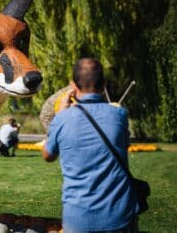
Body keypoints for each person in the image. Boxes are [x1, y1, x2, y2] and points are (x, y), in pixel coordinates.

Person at [42, 58, 139, 232]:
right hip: (120, 215)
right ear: (104, 84)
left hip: (78, 217)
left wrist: (59, 117)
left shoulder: (62, 119)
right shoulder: (119, 115)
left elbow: (48, 155)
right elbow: (123, 145)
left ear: (72, 85)